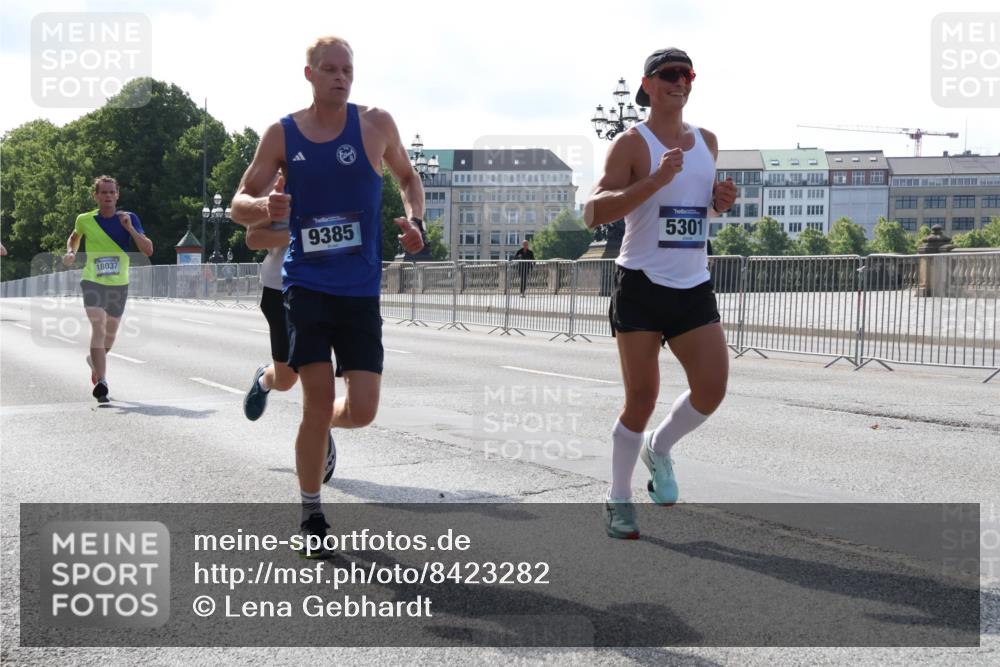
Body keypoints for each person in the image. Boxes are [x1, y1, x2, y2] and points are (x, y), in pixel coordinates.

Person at [231, 36, 424, 558]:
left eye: (348, 70)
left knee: (360, 411)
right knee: (314, 398)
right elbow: (237, 205)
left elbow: (408, 177)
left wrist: (416, 220)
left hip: (360, 291)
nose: (341, 77)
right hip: (306, 286)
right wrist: (263, 203)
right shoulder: (282, 132)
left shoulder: (377, 124)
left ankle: (321, 432)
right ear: (309, 74)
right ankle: (311, 510)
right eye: (331, 69)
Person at [583, 48, 737, 539]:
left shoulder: (707, 141)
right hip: (643, 284)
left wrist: (721, 203)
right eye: (669, 75)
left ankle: (661, 448)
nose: (680, 82)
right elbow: (594, 211)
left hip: (693, 283)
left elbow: (698, 213)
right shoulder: (632, 143)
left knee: (712, 389)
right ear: (647, 85)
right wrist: (654, 180)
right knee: (641, 398)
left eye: (686, 75)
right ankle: (618, 497)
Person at [241, 183, 336, 488]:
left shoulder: (336, 179)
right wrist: (301, 231)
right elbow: (253, 238)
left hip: (326, 288)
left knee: (317, 371)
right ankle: (264, 379)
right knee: (286, 379)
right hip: (279, 288)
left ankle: (320, 434)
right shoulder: (274, 188)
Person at [62, 176, 154, 403]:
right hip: (92, 281)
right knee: (99, 327)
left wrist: (130, 229)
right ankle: (102, 382)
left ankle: (94, 361)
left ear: (117, 195)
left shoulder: (129, 218)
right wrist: (71, 252)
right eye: (103, 192)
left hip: (119, 284)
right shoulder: (85, 219)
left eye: (112, 192)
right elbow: (74, 237)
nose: (108, 196)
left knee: (109, 338)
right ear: (96, 196)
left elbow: (148, 250)